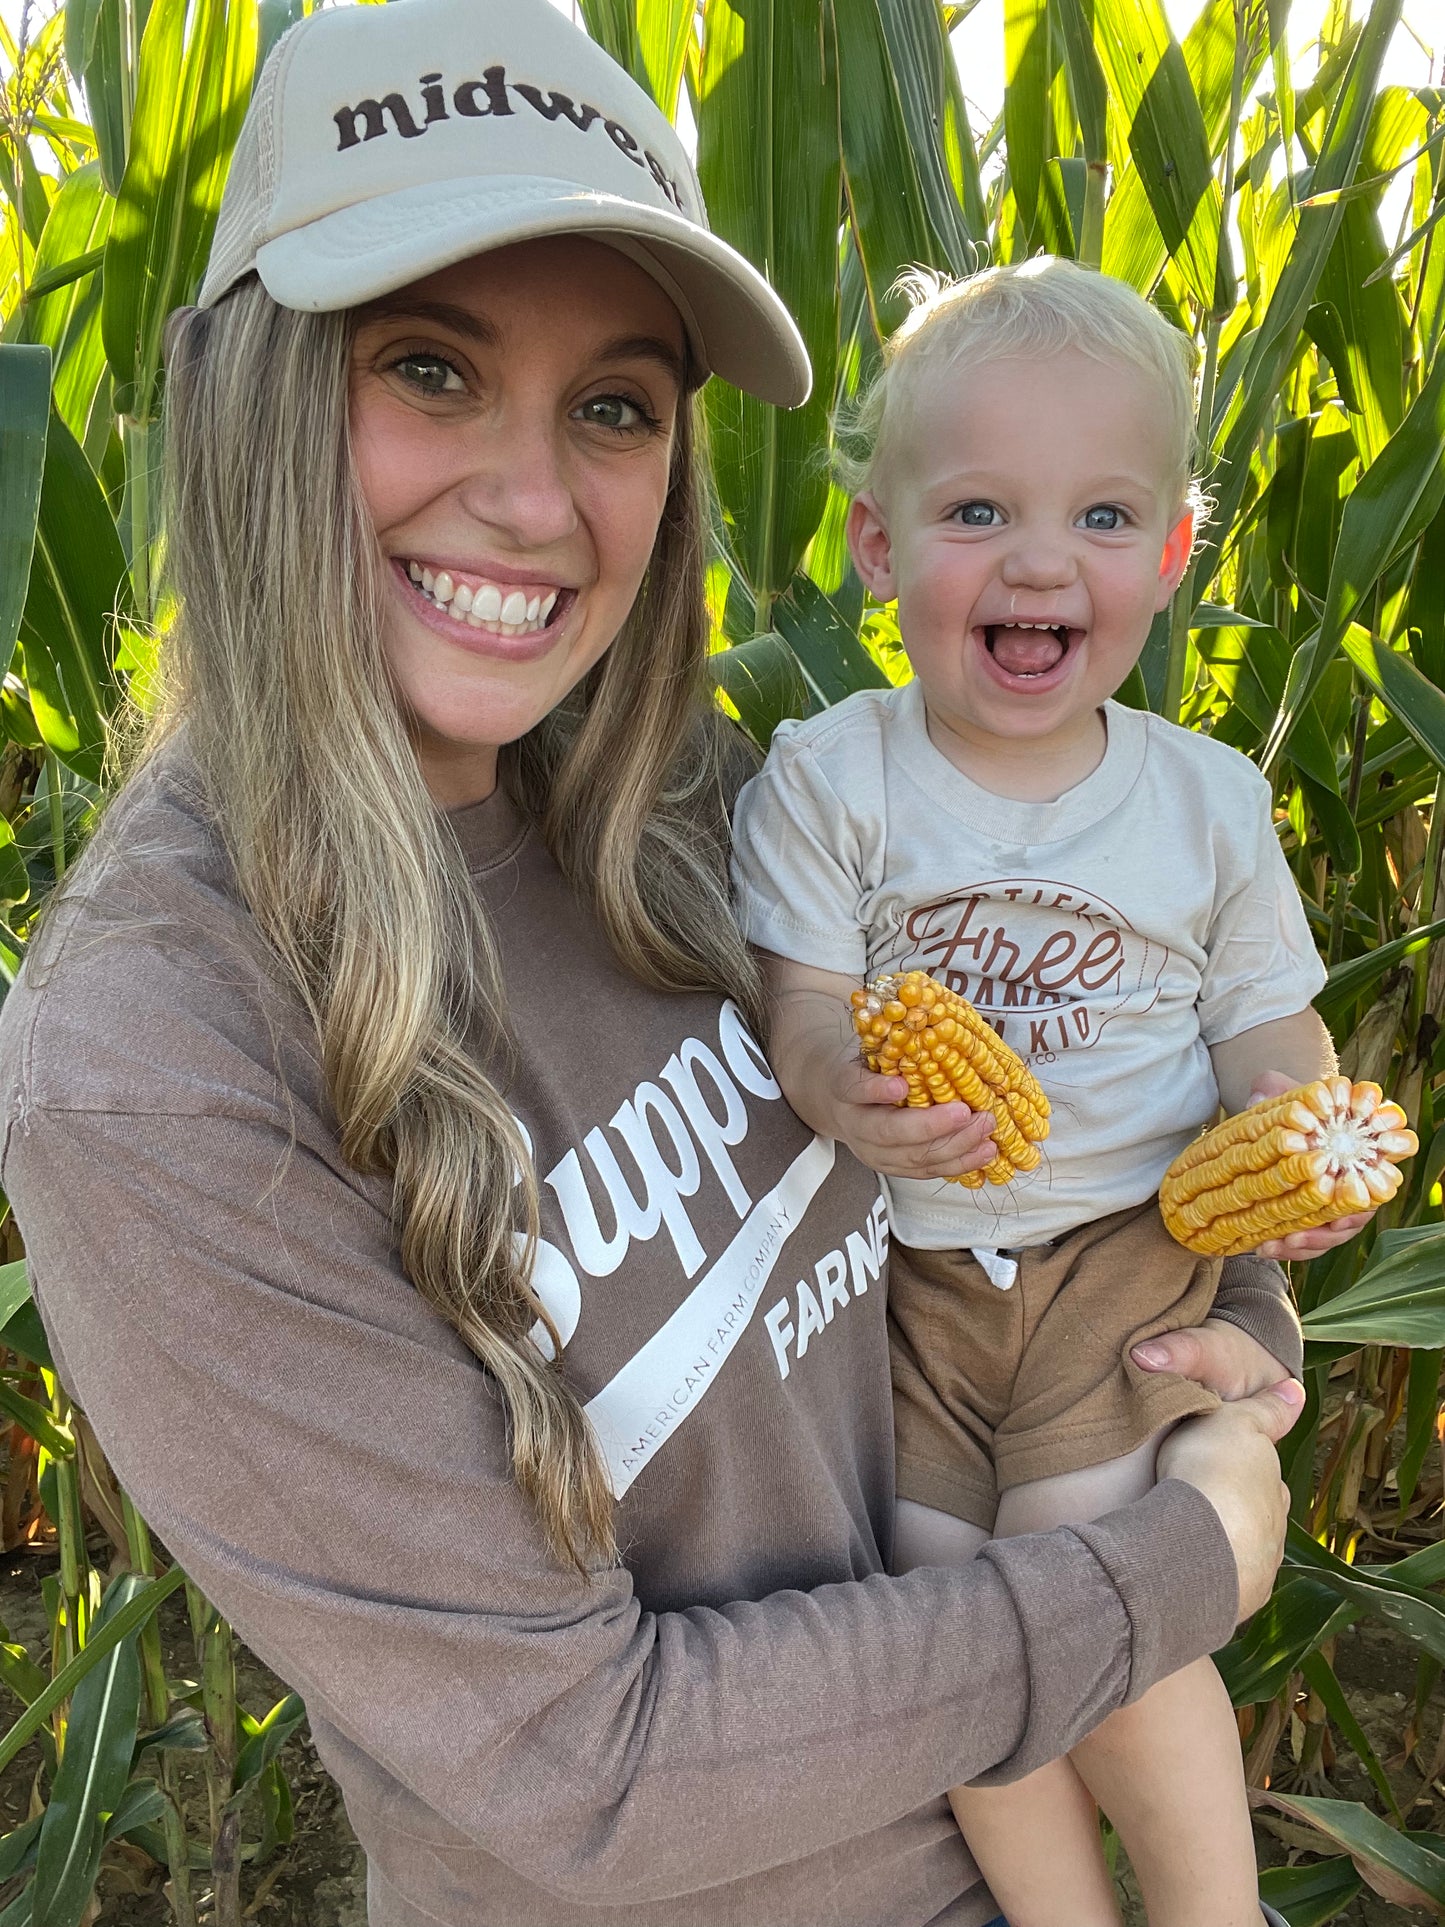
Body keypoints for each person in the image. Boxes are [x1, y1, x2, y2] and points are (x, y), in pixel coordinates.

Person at [0, 7, 1301, 1925]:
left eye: (614, 404)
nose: (537, 502)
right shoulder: (160, 1059)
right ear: (237, 395)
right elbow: (588, 1775)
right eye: (427, 370)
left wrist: (1219, 1325)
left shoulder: (690, 785)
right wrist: (1189, 1557)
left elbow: (1079, 1083)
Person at [732, 258, 1366, 1927]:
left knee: (1084, 1602)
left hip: (1119, 1255)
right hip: (909, 1287)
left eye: (1099, 519)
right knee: (956, 1656)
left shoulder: (1204, 808)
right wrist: (839, 1088)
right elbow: (801, 1000)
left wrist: (1298, 1139)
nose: (1036, 561)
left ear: (1168, 555)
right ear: (879, 549)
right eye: (976, 513)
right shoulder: (830, 779)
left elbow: (1263, 1035)